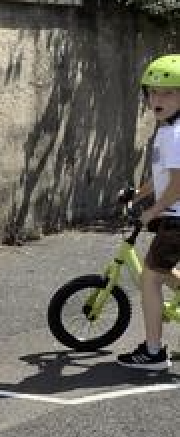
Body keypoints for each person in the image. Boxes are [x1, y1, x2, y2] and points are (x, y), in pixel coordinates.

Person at [116, 54, 180, 371]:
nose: (158, 98)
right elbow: (163, 178)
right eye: (153, 92)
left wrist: (151, 211)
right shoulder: (170, 130)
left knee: (149, 280)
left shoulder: (173, 134)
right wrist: (136, 193)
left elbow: (178, 184)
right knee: (157, 271)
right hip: (174, 216)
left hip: (176, 218)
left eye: (168, 92)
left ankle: (153, 352)